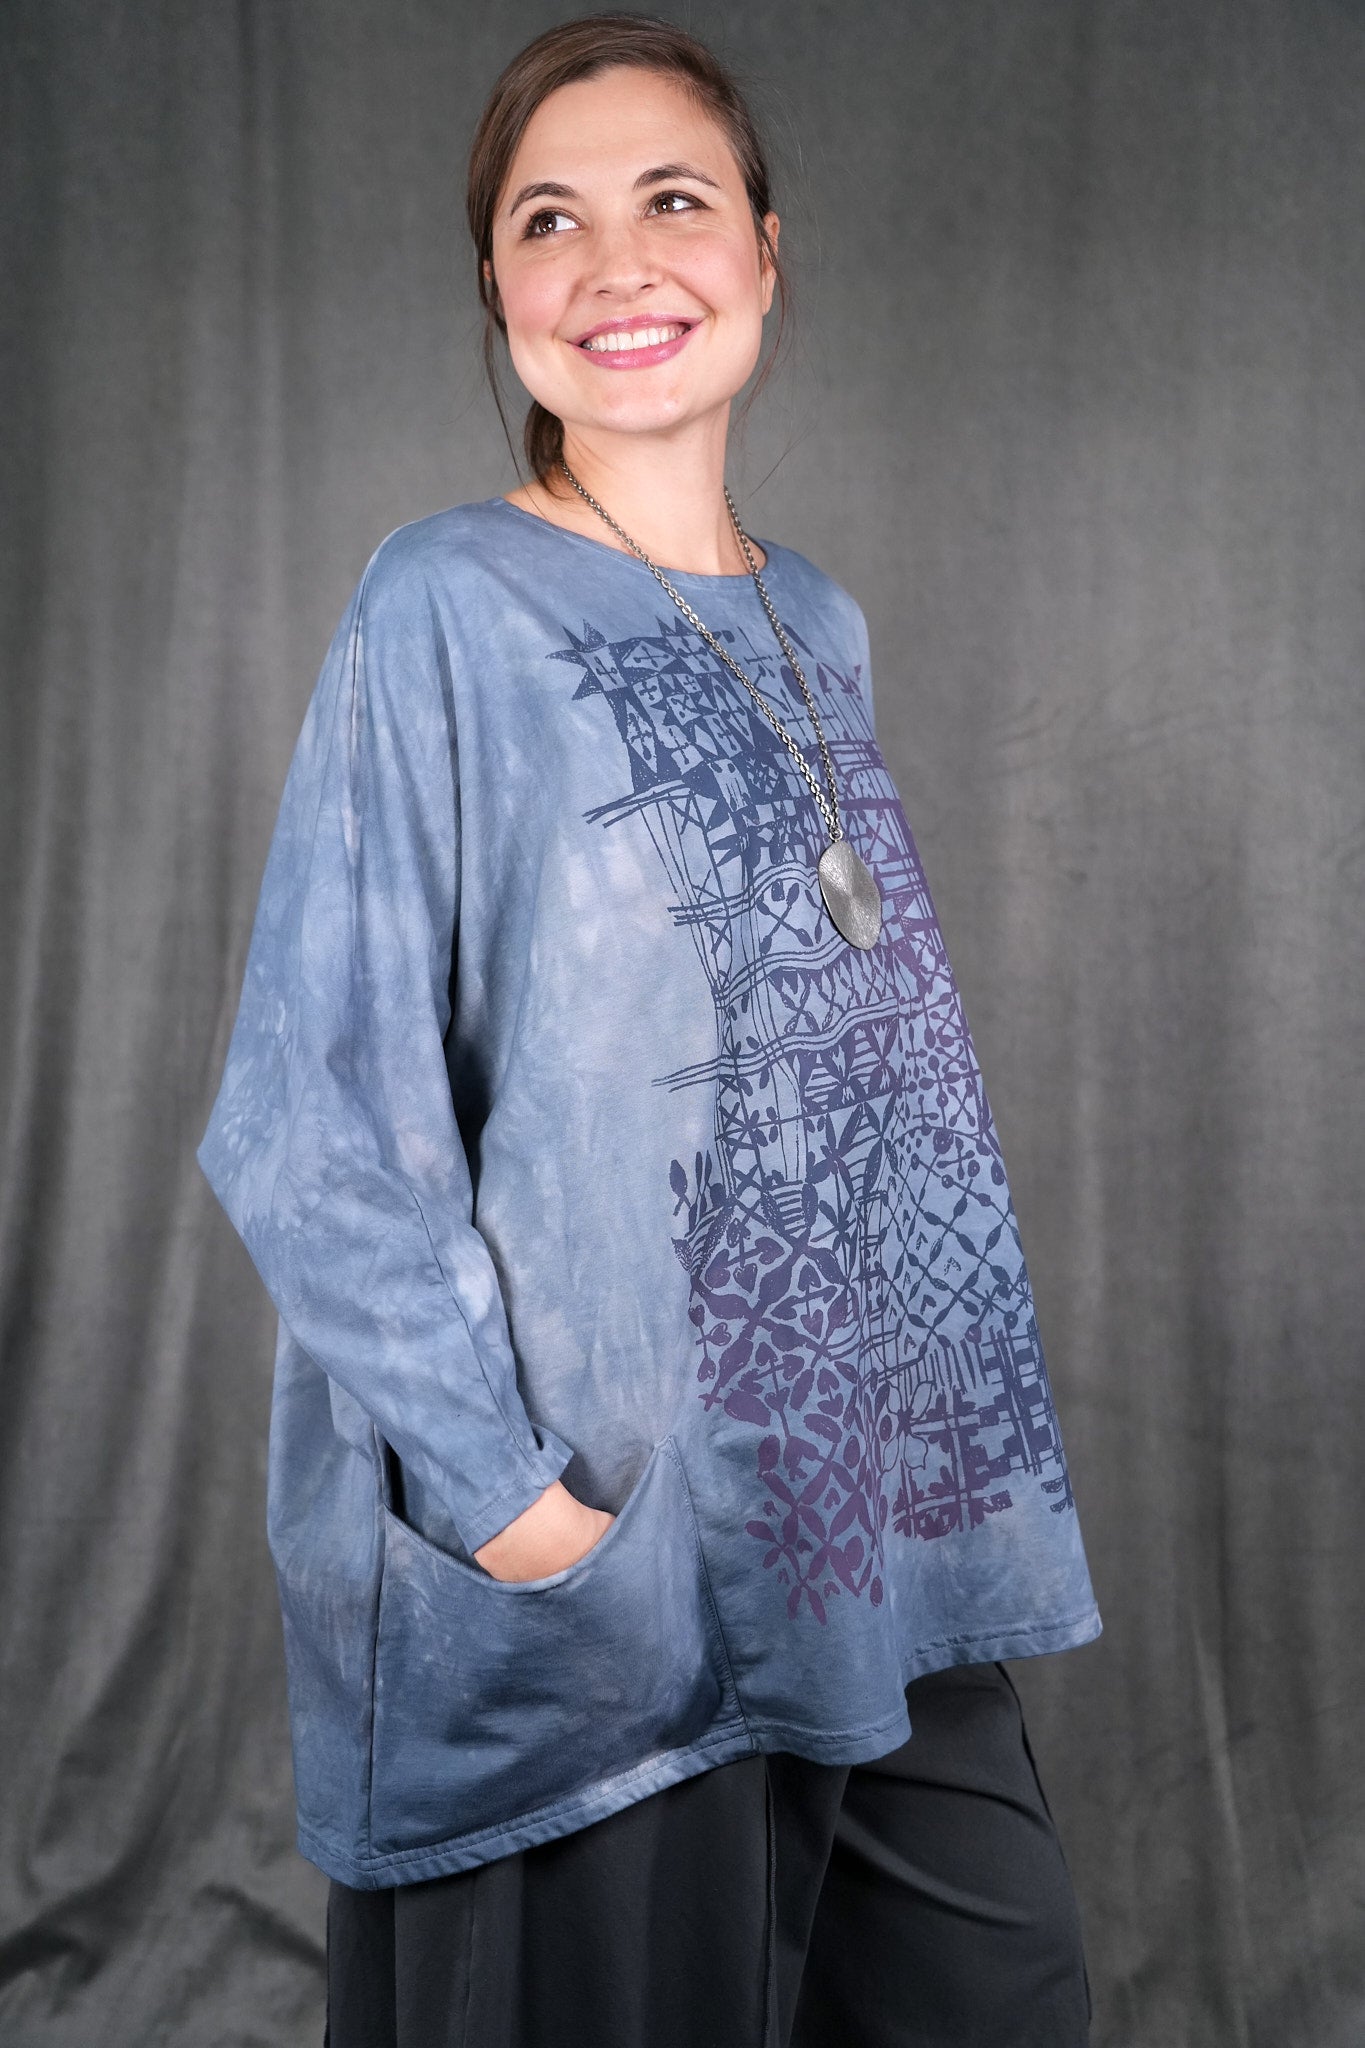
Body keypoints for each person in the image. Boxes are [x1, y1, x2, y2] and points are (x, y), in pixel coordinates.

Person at [197, 14, 1103, 2045]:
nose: (616, 263)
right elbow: (309, 1124)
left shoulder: (816, 619)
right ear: (497, 285)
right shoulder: (443, 604)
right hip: (603, 1573)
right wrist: (532, 1523)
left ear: (764, 250)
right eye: (550, 220)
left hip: (864, 1542)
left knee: (991, 1990)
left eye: (671, 200)